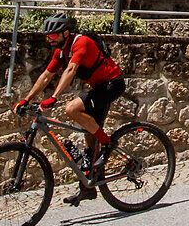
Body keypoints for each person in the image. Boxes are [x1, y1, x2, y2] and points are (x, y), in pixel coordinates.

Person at [19, 13, 126, 202]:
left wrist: (53, 97)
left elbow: (71, 70)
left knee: (72, 109)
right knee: (88, 132)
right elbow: (46, 76)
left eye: (53, 36)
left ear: (66, 33)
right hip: (98, 87)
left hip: (112, 84)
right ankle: (87, 188)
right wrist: (26, 99)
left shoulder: (81, 43)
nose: (50, 40)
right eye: (47, 37)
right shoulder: (61, 51)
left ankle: (108, 144)